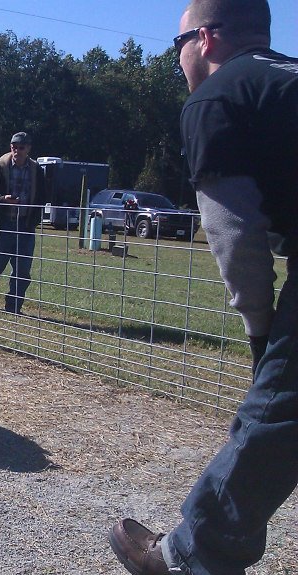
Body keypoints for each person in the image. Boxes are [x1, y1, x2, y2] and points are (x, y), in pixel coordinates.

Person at [109, 1, 298, 574]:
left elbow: (235, 238)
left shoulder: (220, 98)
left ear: (207, 39)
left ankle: (192, 556)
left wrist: (264, 339)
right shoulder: (285, 80)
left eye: (177, 45)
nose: (178, 59)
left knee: (276, 416)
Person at [0, 131, 45, 315]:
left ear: (28, 149)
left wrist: (34, 220)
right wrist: (2, 199)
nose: (17, 150)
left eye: (21, 147)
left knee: (22, 272)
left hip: (25, 227)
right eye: (14, 147)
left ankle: (14, 307)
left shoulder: (37, 170)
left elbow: (43, 197)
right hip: (2, 225)